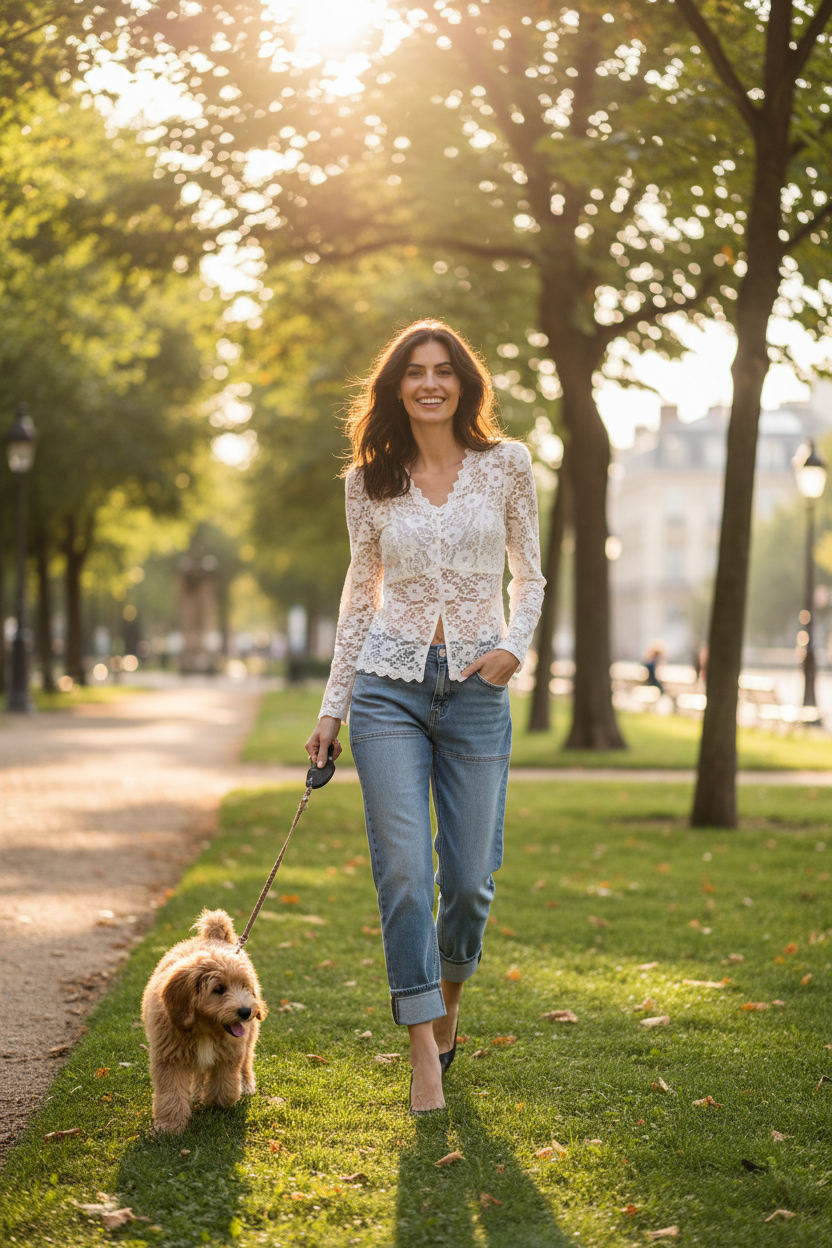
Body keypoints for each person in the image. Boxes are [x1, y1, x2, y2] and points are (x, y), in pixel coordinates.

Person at [305, 319, 545, 1114]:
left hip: (477, 689)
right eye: (415, 371)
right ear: (396, 387)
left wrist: (514, 645)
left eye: (444, 369)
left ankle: (447, 1012)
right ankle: (422, 1051)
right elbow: (356, 597)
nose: (431, 382)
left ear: (463, 383)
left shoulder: (506, 465)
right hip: (387, 686)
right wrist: (332, 708)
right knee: (406, 874)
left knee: (470, 884)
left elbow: (531, 575)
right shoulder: (368, 481)